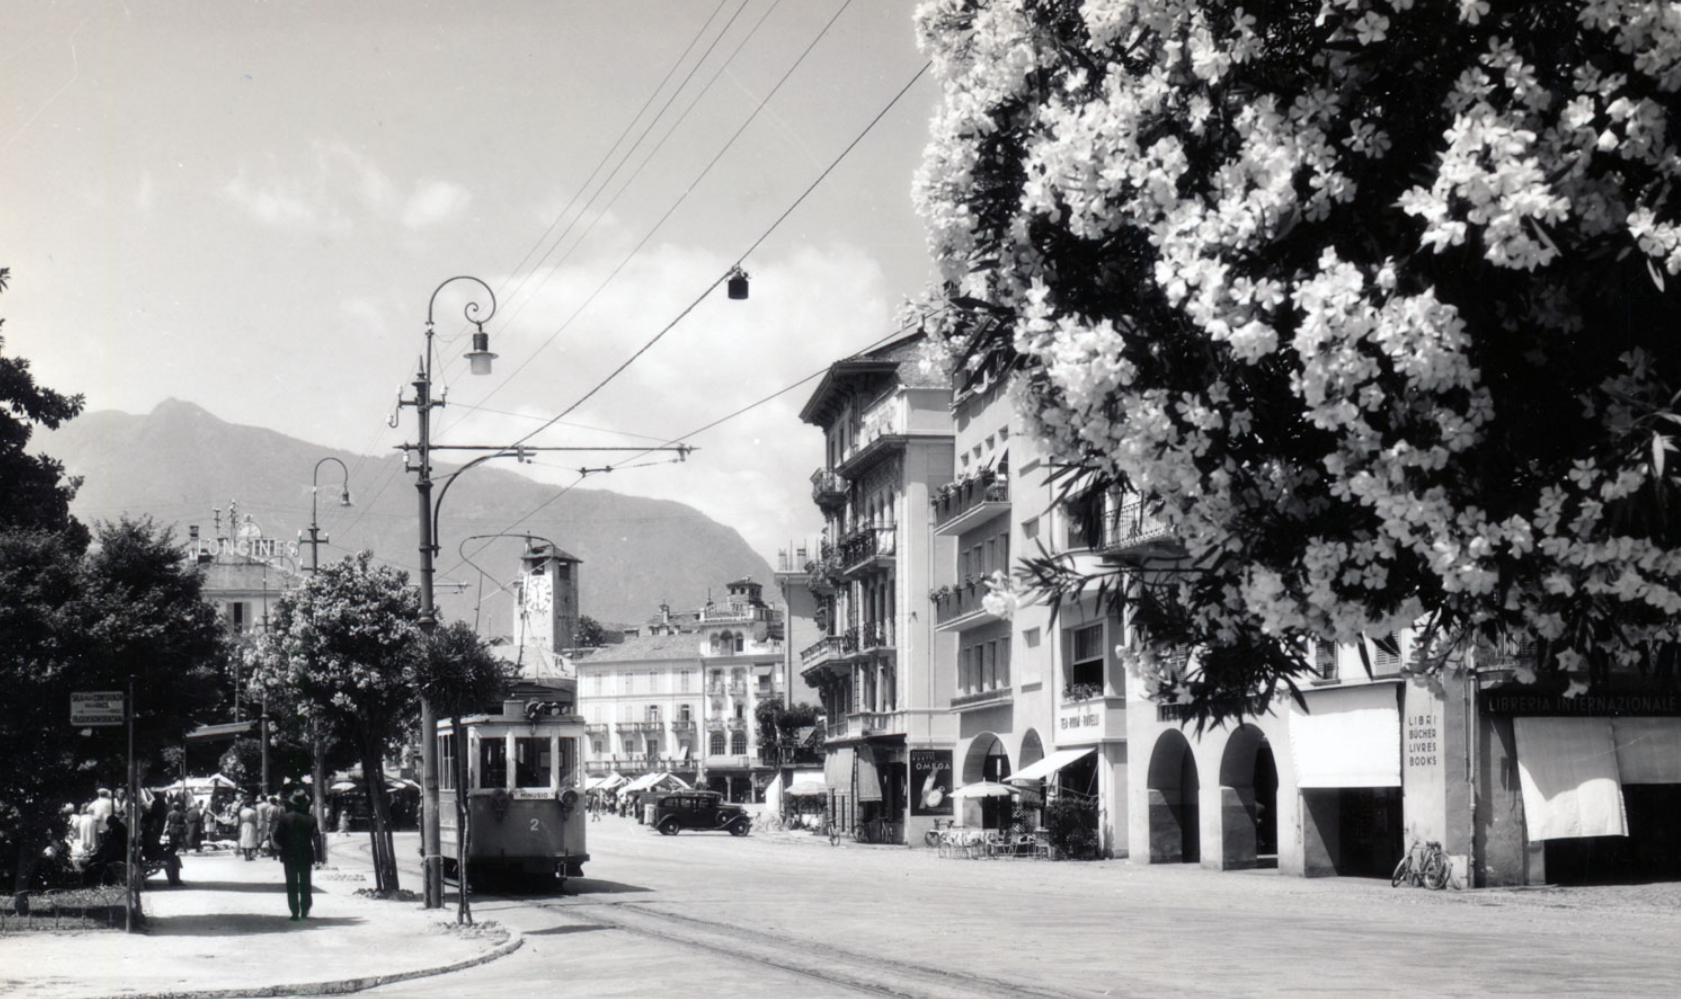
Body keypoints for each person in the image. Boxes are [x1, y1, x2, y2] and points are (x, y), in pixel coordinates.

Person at [270, 791, 317, 920]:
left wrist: (285, 845)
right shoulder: (311, 819)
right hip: (306, 854)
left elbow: (278, 837)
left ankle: (294, 912)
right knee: (306, 882)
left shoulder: (285, 818)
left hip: (289, 854)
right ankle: (305, 909)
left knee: (291, 883)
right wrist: (318, 857)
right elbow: (316, 838)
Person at [256, 794, 276, 858]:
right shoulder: (270, 805)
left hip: (262, 822)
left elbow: (259, 815)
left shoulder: (259, 806)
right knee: (269, 836)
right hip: (269, 822)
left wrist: (258, 824)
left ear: (261, 799)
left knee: (260, 837)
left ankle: (261, 851)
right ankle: (269, 851)